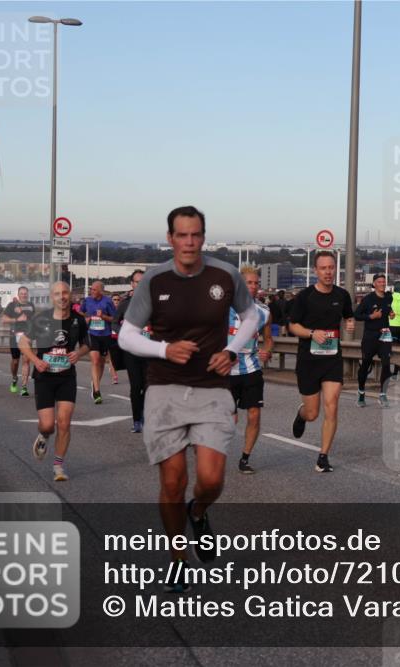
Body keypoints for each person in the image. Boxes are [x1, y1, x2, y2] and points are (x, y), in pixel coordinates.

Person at [118, 205, 260, 581]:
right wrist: (165, 349)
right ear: (170, 238)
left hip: (212, 388)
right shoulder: (155, 279)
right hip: (164, 387)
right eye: (181, 235)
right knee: (172, 481)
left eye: (195, 234)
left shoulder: (225, 274)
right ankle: (178, 560)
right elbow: (126, 335)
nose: (189, 242)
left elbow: (251, 316)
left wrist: (232, 352)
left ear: (203, 236)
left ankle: (197, 512)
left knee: (212, 480)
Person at [288, 250, 355, 473]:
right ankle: (302, 414)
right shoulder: (305, 296)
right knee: (313, 413)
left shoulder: (342, 295)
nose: (328, 272)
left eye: (331, 267)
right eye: (323, 268)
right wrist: (311, 333)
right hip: (308, 360)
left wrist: (350, 324)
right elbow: (293, 325)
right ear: (316, 271)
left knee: (332, 405)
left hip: (332, 359)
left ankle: (323, 456)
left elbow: (348, 315)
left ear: (336, 269)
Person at [18, 282, 90, 482]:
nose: (62, 296)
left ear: (70, 295)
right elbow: (23, 342)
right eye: (57, 293)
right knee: (48, 425)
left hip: (67, 377)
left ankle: (58, 466)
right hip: (45, 377)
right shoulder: (41, 319)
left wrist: (79, 353)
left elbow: (87, 344)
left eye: (65, 292)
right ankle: (44, 435)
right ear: (52, 297)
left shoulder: (78, 320)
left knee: (65, 423)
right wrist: (36, 361)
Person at [230, 267, 273, 473]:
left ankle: (245, 458)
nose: (253, 287)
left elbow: (269, 339)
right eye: (249, 282)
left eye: (256, 283)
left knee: (254, 415)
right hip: (226, 371)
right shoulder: (223, 308)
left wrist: (266, 350)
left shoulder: (263, 312)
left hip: (252, 368)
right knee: (231, 419)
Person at [114, 270, 149, 432]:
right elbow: (114, 322)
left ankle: (146, 415)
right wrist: (123, 331)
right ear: (132, 284)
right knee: (136, 386)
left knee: (150, 386)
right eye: (137, 282)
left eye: (143, 281)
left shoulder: (153, 301)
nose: (140, 285)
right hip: (132, 351)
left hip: (150, 349)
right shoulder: (125, 303)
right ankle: (137, 420)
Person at [354, 274, 394, 408]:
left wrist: (391, 313)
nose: (383, 283)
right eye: (380, 282)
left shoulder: (389, 297)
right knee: (365, 365)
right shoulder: (368, 299)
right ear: (374, 284)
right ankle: (361, 391)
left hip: (385, 334)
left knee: (387, 364)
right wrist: (372, 316)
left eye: (384, 281)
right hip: (370, 336)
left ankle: (382, 394)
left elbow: (388, 308)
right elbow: (357, 315)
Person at [81, 281, 118, 404]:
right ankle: (97, 391)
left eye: (95, 290)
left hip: (105, 334)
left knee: (102, 362)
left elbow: (114, 318)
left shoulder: (107, 301)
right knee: (95, 360)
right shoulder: (87, 300)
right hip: (92, 334)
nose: (92, 291)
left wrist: (103, 317)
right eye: (91, 289)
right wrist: (86, 318)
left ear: (101, 291)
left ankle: (95, 383)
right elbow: (81, 312)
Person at [1, 286, 36, 396]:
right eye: (22, 293)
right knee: (15, 361)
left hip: (26, 335)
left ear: (28, 294)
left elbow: (30, 319)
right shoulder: (11, 305)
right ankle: (14, 377)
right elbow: (4, 319)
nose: (24, 295)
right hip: (14, 335)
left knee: (26, 361)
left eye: (25, 293)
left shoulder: (31, 306)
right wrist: (16, 319)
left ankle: (24, 387)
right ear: (18, 294)